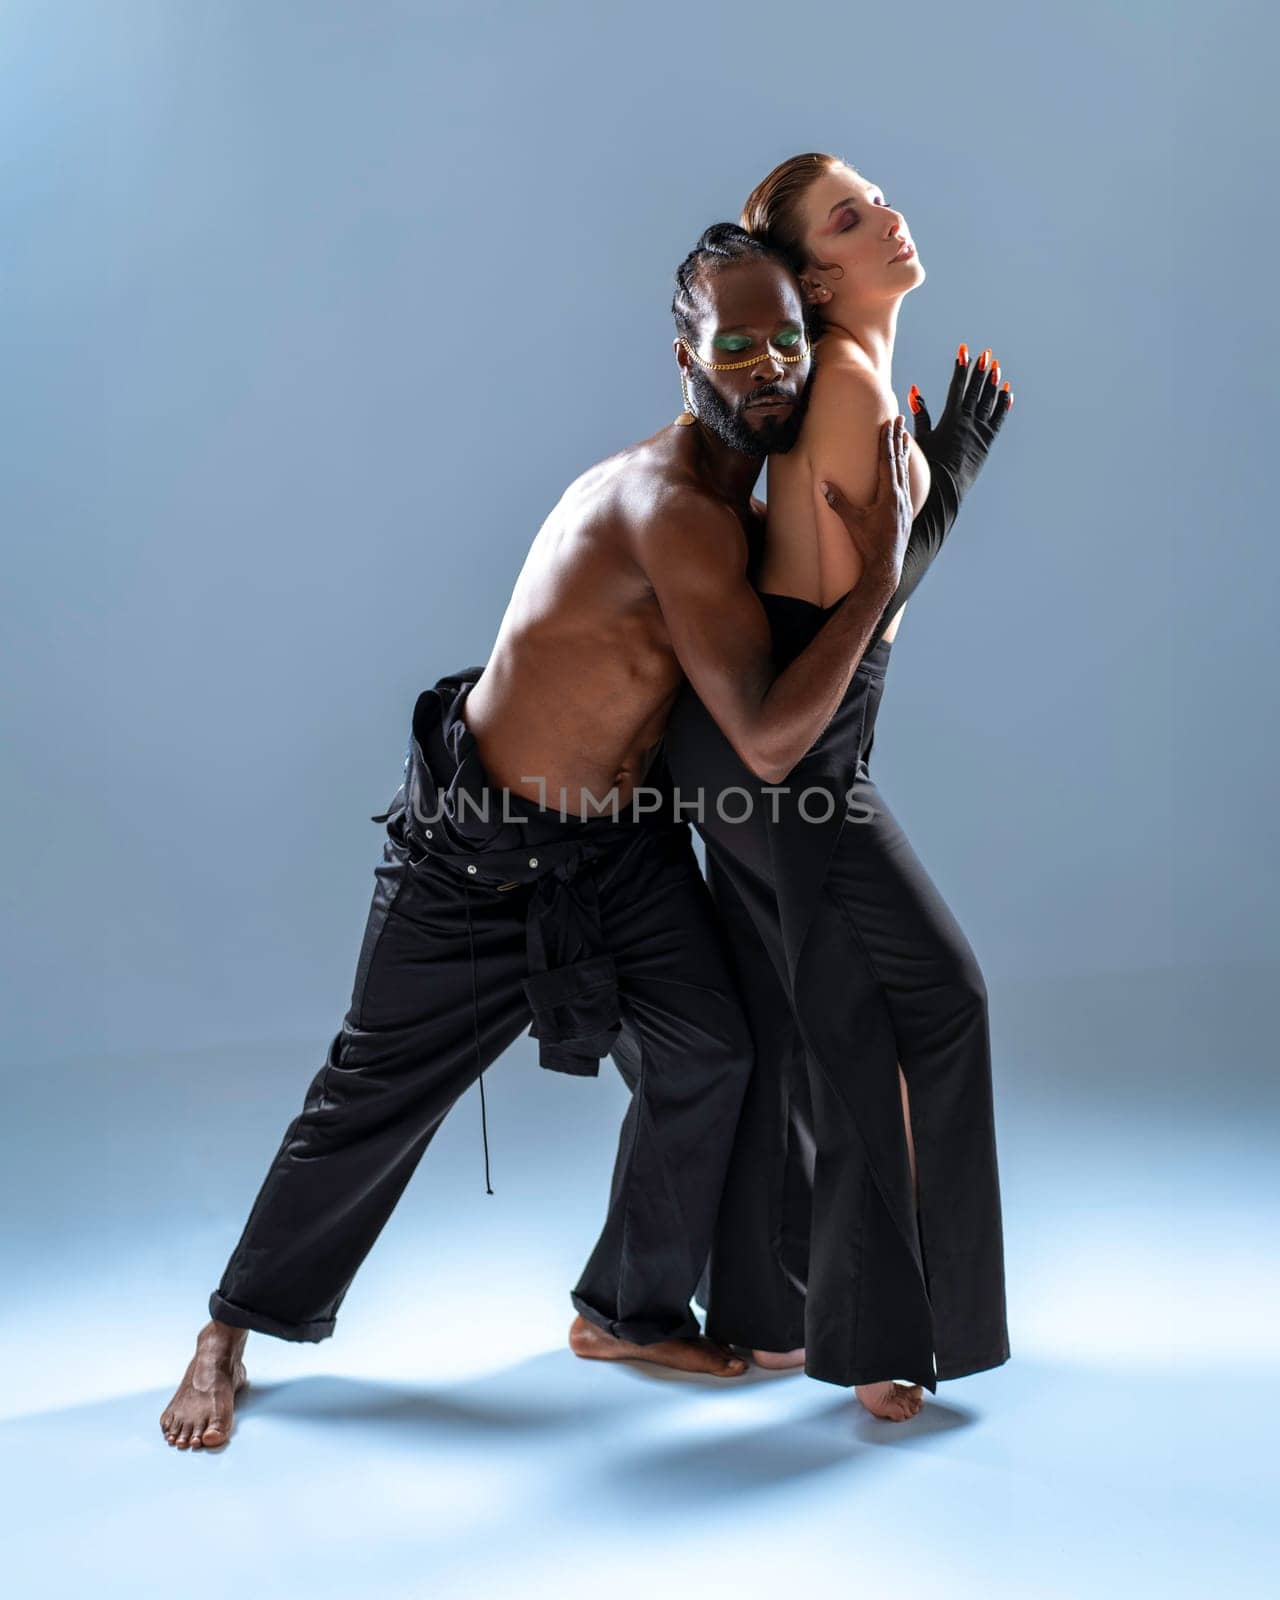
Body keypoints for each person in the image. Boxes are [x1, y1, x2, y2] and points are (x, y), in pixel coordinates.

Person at [158, 221, 917, 1450]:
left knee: (710, 1051)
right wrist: (882, 572)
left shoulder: (743, 505)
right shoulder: (669, 505)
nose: (770, 367)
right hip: (475, 855)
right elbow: (774, 739)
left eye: (789, 340)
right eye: (737, 346)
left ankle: (623, 1308)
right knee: (369, 1097)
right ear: (684, 356)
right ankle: (227, 1330)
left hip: (614, 852)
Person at [663, 154, 1014, 1423]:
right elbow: (852, 621)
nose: (891, 216)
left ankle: (772, 1317)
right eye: (853, 218)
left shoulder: (850, 385)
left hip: (761, 753)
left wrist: (938, 477)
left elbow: (853, 590)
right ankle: (878, 1338)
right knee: (925, 1005)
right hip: (791, 763)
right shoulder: (849, 394)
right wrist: (950, 479)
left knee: (816, 1020)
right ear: (817, 271)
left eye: (878, 198)